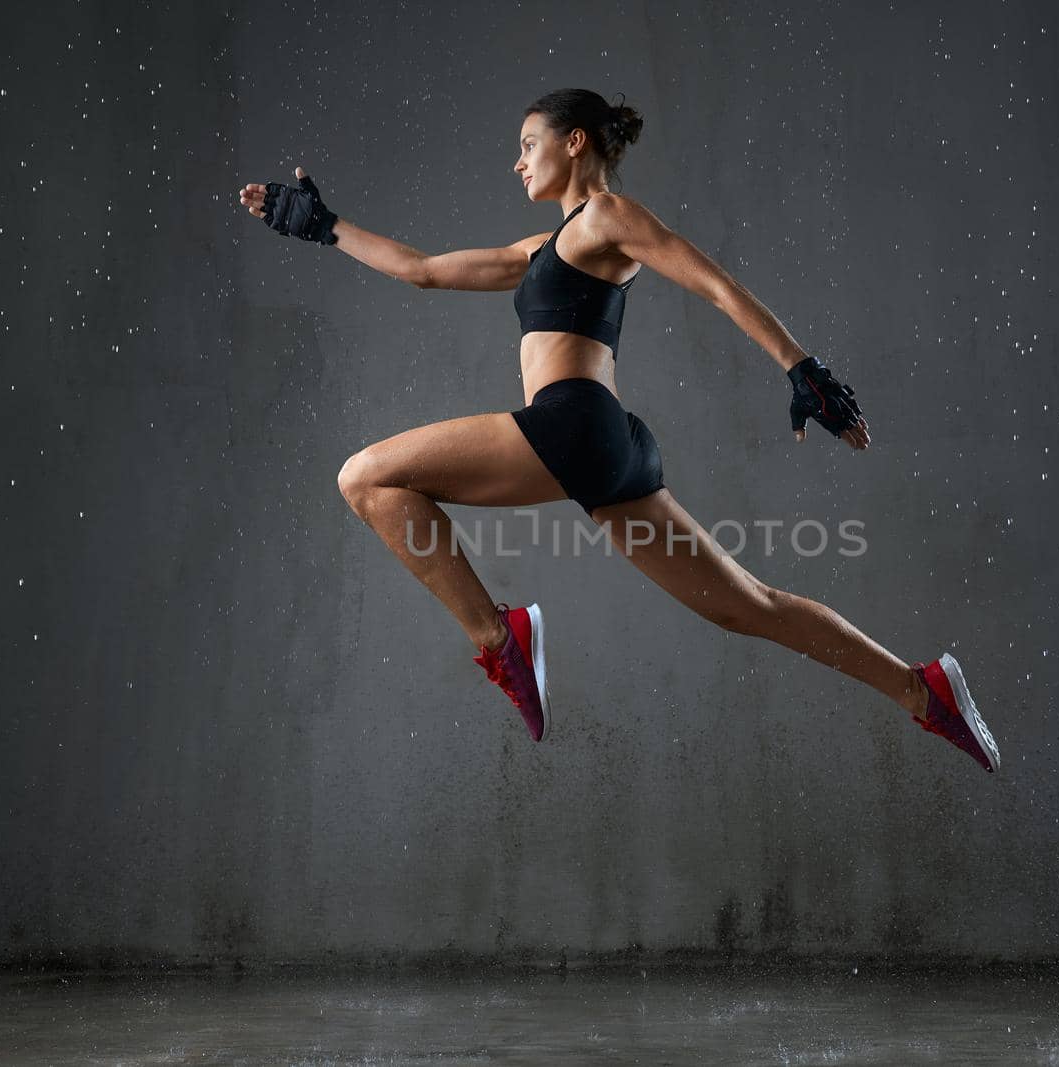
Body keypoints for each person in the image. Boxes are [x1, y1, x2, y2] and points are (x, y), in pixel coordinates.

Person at [236, 88, 999, 772]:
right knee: (747, 606)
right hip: (611, 446)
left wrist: (802, 367)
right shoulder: (546, 246)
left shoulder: (607, 215)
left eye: (528, 143)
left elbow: (713, 282)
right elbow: (425, 269)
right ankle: (920, 688)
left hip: (572, 423)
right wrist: (328, 227)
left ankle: (503, 640)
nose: (517, 162)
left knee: (365, 477)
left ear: (576, 143)